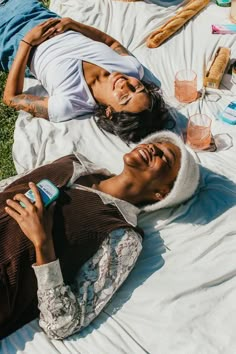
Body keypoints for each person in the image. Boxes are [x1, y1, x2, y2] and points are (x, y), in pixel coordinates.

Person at [0, 131, 200, 339]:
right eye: (155, 142)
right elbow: (10, 186)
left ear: (163, 193)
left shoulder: (121, 235)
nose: (153, 147)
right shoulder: (73, 162)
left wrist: (43, 242)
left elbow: (62, 323)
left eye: (165, 157)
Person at [0, 0, 172, 143]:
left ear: (109, 112)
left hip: (9, 38)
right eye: (137, 88)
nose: (125, 84)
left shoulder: (69, 103)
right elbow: (111, 43)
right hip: (32, 11)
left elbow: (11, 98)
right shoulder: (132, 69)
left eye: (125, 97)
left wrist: (27, 43)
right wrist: (74, 25)